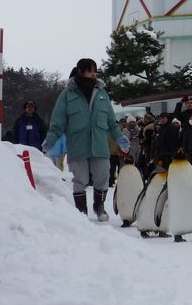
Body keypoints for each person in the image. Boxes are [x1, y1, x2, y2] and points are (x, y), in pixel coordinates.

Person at [43, 58, 129, 221]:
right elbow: (58, 122)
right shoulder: (67, 94)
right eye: (90, 71)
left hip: (99, 143)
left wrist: (120, 137)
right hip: (77, 143)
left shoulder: (102, 93)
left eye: (95, 71)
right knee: (80, 179)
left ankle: (99, 206)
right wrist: (50, 140)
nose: (94, 74)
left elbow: (111, 121)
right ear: (80, 71)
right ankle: (81, 210)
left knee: (103, 175)